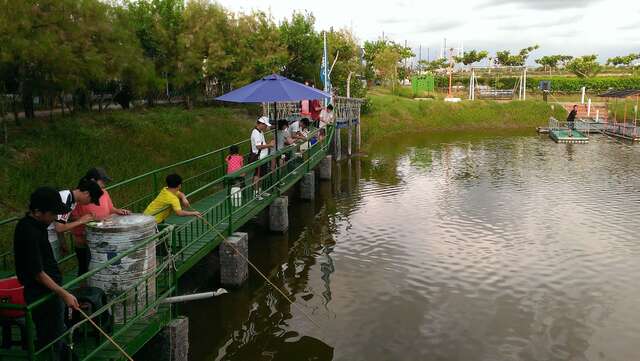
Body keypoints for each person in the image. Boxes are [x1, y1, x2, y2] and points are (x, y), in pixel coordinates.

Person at [14, 187, 80, 359]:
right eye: (52, 214)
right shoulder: (28, 231)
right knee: (52, 339)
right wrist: (63, 292)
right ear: (37, 211)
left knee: (59, 333)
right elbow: (37, 272)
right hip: (41, 294)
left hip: (51, 291)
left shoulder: (39, 225)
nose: (53, 220)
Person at [71, 167, 130, 276]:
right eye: (102, 181)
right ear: (93, 180)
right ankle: (85, 289)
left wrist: (118, 211)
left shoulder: (104, 193)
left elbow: (110, 208)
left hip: (104, 236)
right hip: (85, 239)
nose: (104, 185)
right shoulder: (80, 194)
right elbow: (73, 217)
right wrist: (90, 219)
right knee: (85, 268)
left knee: (105, 266)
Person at [48, 178, 103, 261]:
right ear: (86, 193)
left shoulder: (72, 200)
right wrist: (81, 220)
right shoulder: (65, 198)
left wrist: (62, 242)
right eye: (91, 200)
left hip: (52, 236)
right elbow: (59, 227)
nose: (89, 203)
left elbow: (61, 220)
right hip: (47, 238)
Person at [250, 116, 274, 197]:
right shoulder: (256, 133)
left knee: (261, 175)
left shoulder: (260, 132)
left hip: (263, 157)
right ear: (260, 124)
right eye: (265, 125)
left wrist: (268, 144)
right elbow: (258, 146)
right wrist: (269, 145)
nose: (266, 127)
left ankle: (260, 191)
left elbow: (262, 144)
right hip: (258, 157)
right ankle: (256, 193)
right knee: (257, 175)